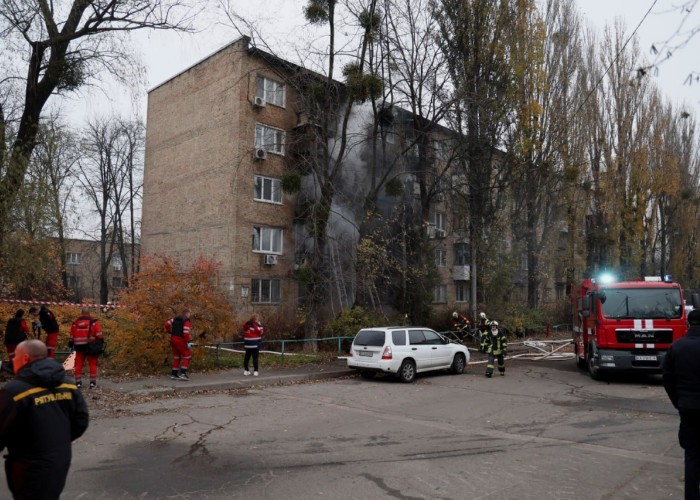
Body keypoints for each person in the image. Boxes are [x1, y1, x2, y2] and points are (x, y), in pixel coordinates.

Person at [0, 339, 89, 499]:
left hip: (27, 466)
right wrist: (60, 439)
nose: (13, 360)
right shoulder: (68, 384)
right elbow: (81, 419)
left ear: (26, 358)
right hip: (59, 459)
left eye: (16, 357)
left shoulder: (14, 391)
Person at [663, 308, 700, 499]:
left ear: (687, 324)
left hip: (688, 407)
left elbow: (667, 378)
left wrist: (679, 402)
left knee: (692, 455)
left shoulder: (677, 347)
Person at [69, 307, 104, 389]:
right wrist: (100, 342)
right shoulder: (93, 323)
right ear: (89, 313)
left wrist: (71, 344)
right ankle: (92, 383)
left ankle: (78, 383)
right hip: (90, 347)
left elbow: (71, 336)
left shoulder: (75, 323)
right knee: (92, 364)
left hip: (78, 347)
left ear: (81, 313)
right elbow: (99, 335)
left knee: (78, 364)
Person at [165, 309, 192, 381]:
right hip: (181, 340)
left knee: (176, 357)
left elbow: (166, 324)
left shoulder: (175, 319)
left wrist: (169, 332)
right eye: (189, 314)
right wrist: (188, 342)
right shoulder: (186, 320)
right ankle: (183, 373)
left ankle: (174, 374)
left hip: (173, 339)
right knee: (187, 356)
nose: (190, 315)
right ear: (187, 313)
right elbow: (186, 333)